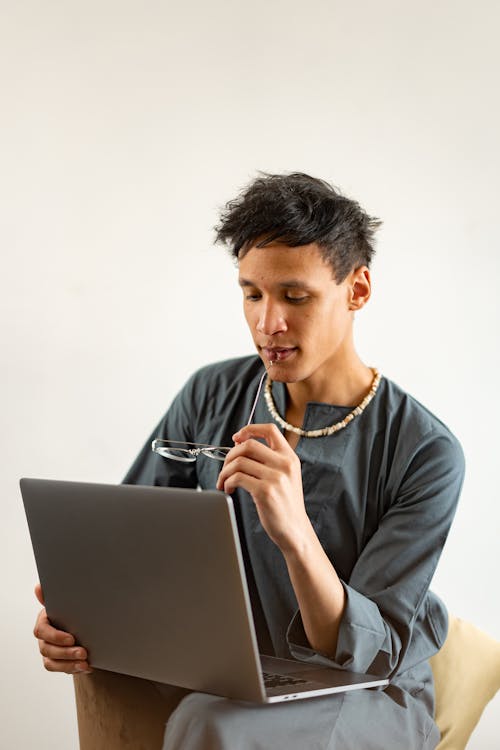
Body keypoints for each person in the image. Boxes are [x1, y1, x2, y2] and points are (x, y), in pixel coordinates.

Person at [33, 172, 465, 749]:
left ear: (357, 290)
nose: (268, 324)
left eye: (295, 296)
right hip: (235, 672)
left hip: (365, 694)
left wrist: (294, 532)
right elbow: (128, 549)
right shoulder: (209, 394)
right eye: (251, 293)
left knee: (207, 721)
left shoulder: (425, 452)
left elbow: (365, 652)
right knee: (124, 682)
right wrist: (78, 621)